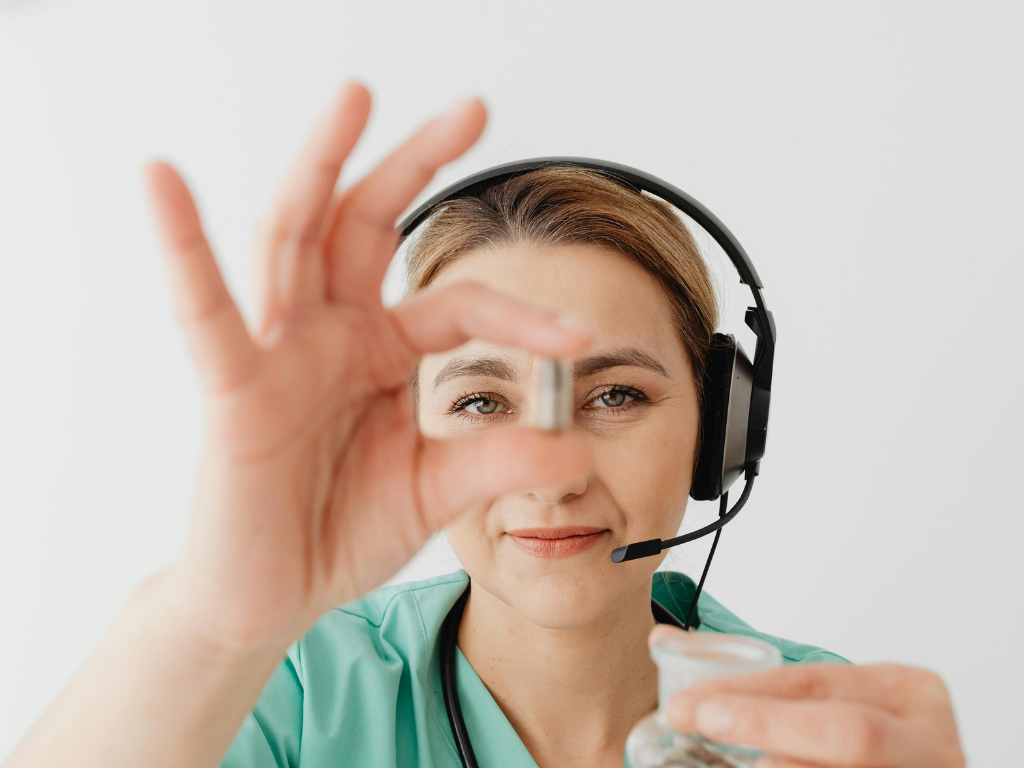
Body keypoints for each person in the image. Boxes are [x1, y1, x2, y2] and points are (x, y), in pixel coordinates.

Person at [2, 83, 966, 768]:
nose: (550, 476)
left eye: (616, 395)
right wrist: (218, 614)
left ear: (723, 424)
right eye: (479, 402)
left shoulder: (815, 722)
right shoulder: (296, 690)